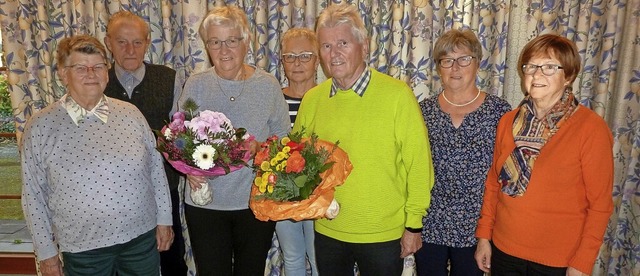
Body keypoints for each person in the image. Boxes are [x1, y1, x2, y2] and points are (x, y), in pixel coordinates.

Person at [292, 4, 435, 275]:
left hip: (382, 233)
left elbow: (419, 165)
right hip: (328, 229)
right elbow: (298, 162)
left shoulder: (397, 95)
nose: (334, 54)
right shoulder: (312, 99)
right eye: (326, 46)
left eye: (343, 43)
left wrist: (414, 224)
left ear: (364, 45)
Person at [20, 35, 173, 275]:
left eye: (98, 66)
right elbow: (33, 194)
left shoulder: (130, 113)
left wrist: (165, 219)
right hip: (83, 249)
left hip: (140, 240)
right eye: (80, 67)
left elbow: (155, 169)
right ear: (63, 73)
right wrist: (47, 253)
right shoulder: (41, 125)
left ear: (107, 71)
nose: (91, 73)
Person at [474, 34, 614, 276]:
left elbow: (600, 206)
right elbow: (494, 184)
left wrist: (582, 261)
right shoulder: (508, 122)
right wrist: (484, 236)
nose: (537, 75)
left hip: (558, 260)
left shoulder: (591, 128)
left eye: (549, 67)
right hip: (504, 250)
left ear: (568, 76)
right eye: (531, 67)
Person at [173, 6, 290, 275]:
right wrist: (188, 170)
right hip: (206, 204)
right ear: (207, 46)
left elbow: (283, 139)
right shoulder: (196, 84)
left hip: (255, 201)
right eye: (215, 42)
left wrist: (260, 149)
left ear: (246, 42)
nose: (223, 50)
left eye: (231, 41)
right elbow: (178, 137)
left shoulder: (267, 85)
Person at [414, 29, 512, 276]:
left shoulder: (500, 112)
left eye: (464, 59)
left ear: (477, 63)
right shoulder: (422, 111)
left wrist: (491, 231)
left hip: (478, 227)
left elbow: (505, 174)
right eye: (447, 60)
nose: (455, 68)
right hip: (430, 222)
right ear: (438, 67)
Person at [102, 10, 187, 275]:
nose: (130, 50)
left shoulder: (169, 79)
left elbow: (182, 137)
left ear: (148, 42)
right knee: (122, 264)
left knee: (172, 260)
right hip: (111, 196)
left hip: (164, 191)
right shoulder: (95, 83)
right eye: (121, 42)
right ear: (108, 43)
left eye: (137, 42)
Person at [275, 27, 320, 276]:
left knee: (318, 257)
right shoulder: (275, 98)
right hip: (282, 191)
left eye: (305, 55)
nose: (297, 63)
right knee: (291, 257)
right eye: (290, 57)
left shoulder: (328, 98)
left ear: (317, 60)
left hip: (320, 192)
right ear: (282, 62)